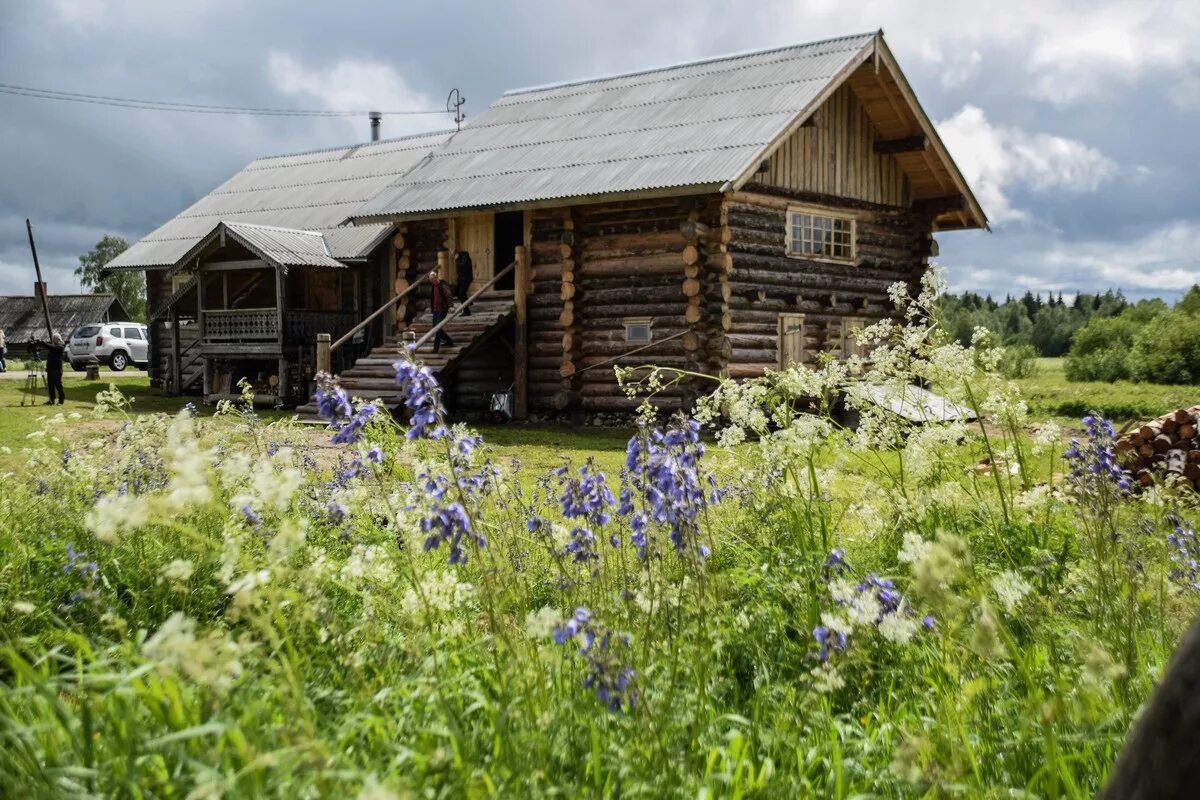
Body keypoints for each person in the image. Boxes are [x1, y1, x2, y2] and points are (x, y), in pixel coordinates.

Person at [428, 270, 456, 353]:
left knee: (438, 327)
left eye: (432, 280)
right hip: (436, 310)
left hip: (442, 309)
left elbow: (448, 295)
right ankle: (448, 341)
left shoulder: (442, 285)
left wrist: (450, 306)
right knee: (435, 327)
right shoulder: (433, 286)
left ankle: (436, 347)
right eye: (430, 280)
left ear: (436, 278)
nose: (432, 282)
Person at [35, 333, 66, 404]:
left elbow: (52, 347)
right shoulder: (53, 346)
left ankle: (61, 399)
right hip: (50, 369)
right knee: (50, 385)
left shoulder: (60, 347)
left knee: (58, 384)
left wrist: (43, 343)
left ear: (58, 339)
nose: (52, 340)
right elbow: (50, 351)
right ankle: (52, 399)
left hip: (57, 369)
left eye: (54, 338)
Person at [454, 250, 474, 316]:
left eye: (455, 255)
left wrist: (456, 260)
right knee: (456, 292)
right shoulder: (461, 258)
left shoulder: (465, 258)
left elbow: (462, 265)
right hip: (461, 278)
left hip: (466, 278)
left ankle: (467, 311)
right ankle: (468, 302)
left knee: (461, 294)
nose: (454, 256)